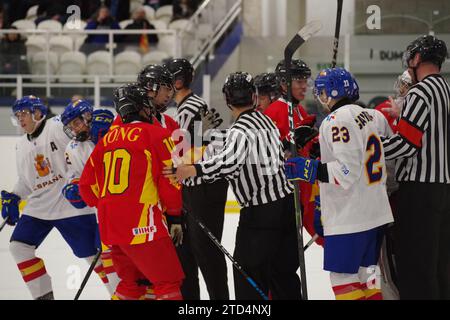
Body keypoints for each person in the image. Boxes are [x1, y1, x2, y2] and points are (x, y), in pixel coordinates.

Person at [168, 72, 302, 300]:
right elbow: (229, 142)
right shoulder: (265, 121)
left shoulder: (240, 131)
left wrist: (194, 169)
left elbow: (229, 162)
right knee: (282, 274)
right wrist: (200, 135)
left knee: (247, 275)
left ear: (228, 100)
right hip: (287, 209)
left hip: (261, 215)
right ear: (253, 96)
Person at [285, 67, 394, 300]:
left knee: (344, 279)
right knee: (369, 276)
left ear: (332, 92)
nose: (321, 98)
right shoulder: (374, 116)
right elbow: (364, 155)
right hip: (376, 212)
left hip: (350, 217)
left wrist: (307, 168)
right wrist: (317, 149)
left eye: (323, 92)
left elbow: (346, 171)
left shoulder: (336, 120)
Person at [79, 83, 185, 300]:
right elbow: (170, 179)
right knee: (167, 282)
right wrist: (174, 214)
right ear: (140, 107)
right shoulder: (156, 134)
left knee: (131, 283)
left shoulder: (107, 140)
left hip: (110, 228)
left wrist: (112, 208)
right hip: (143, 225)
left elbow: (86, 187)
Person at [0, 96, 103, 300]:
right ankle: (43, 296)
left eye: (24, 114)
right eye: (17, 115)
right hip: (39, 208)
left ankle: (119, 293)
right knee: (18, 247)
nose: (21, 119)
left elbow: (83, 140)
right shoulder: (20, 145)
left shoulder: (56, 126)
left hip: (71, 204)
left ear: (38, 113)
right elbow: (26, 180)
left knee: (94, 257)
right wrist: (14, 195)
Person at [381, 35, 450, 300]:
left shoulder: (420, 91)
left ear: (417, 58)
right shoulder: (444, 89)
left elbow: (407, 143)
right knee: (438, 265)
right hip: (442, 189)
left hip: (420, 191)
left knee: (415, 267)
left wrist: (372, 147)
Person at [165, 58, 229, 300]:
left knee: (206, 254)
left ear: (177, 81)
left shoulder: (191, 107)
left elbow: (186, 155)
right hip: (197, 188)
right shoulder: (189, 107)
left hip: (203, 188)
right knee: (190, 254)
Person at [60, 99, 119, 296]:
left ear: (88, 117)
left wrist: (110, 132)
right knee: (110, 264)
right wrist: (72, 188)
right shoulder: (73, 148)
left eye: (76, 123)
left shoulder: (108, 129)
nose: (74, 130)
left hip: (128, 206)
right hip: (102, 212)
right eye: (70, 127)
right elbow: (74, 175)